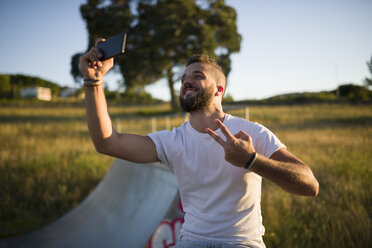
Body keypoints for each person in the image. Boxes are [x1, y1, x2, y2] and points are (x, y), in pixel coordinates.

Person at [79, 39, 319, 248]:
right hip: (191, 242)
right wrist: (94, 83)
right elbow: (107, 143)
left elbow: (309, 185)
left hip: (242, 243)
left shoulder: (251, 132)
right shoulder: (172, 141)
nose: (186, 81)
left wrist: (252, 161)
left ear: (219, 90)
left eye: (198, 76)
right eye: (184, 78)